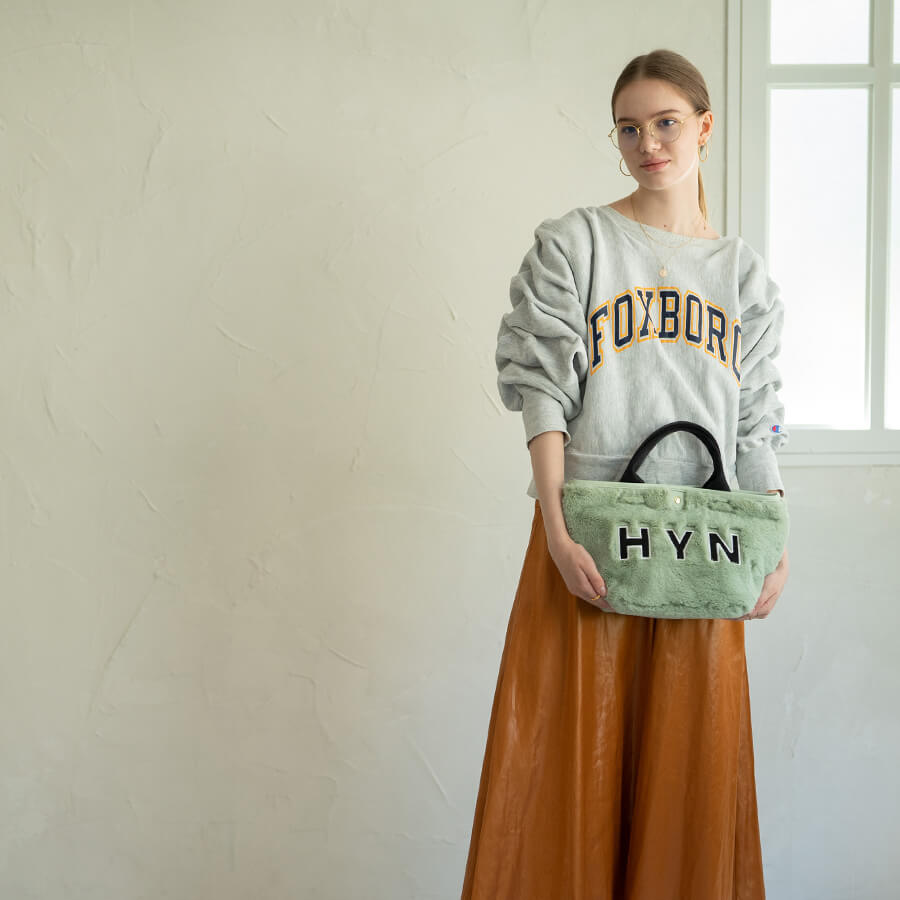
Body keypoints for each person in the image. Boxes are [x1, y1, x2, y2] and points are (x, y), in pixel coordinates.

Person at [460, 49, 790, 900]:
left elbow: (756, 420)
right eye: (630, 129)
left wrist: (775, 537)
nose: (649, 145)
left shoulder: (743, 275)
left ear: (705, 127)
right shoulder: (576, 244)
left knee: (690, 785)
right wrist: (555, 526)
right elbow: (542, 389)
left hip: (703, 547)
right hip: (591, 544)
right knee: (565, 777)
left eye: (666, 123)